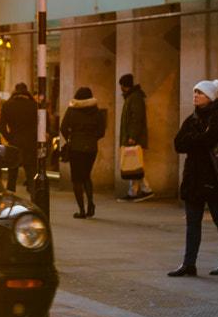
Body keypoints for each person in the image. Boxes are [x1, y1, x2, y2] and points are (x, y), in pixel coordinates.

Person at [171, 80, 218, 277]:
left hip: (214, 178)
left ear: (210, 96)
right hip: (193, 178)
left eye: (200, 93)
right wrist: (199, 138)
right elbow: (178, 143)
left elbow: (208, 139)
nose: (195, 96)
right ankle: (188, 263)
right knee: (192, 222)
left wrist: (195, 140)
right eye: (195, 92)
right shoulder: (193, 118)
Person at [58, 86, 108, 218]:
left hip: (76, 148)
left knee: (77, 180)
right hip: (91, 148)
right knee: (86, 176)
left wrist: (71, 138)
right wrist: (92, 138)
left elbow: (63, 127)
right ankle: (91, 204)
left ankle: (81, 210)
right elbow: (102, 131)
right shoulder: (96, 111)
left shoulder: (72, 110)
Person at [118, 74, 153, 201]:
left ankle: (145, 190)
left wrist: (132, 136)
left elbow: (137, 119)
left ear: (124, 86)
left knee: (135, 166)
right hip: (130, 137)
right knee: (132, 165)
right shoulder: (132, 97)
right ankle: (134, 191)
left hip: (132, 138)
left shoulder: (135, 98)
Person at [0, 82, 39, 192]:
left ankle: (10, 202)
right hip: (30, 143)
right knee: (31, 174)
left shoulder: (7, 105)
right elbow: (39, 125)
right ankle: (34, 198)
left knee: (12, 176)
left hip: (14, 142)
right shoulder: (33, 105)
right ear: (26, 91)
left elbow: (1, 127)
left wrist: (10, 138)